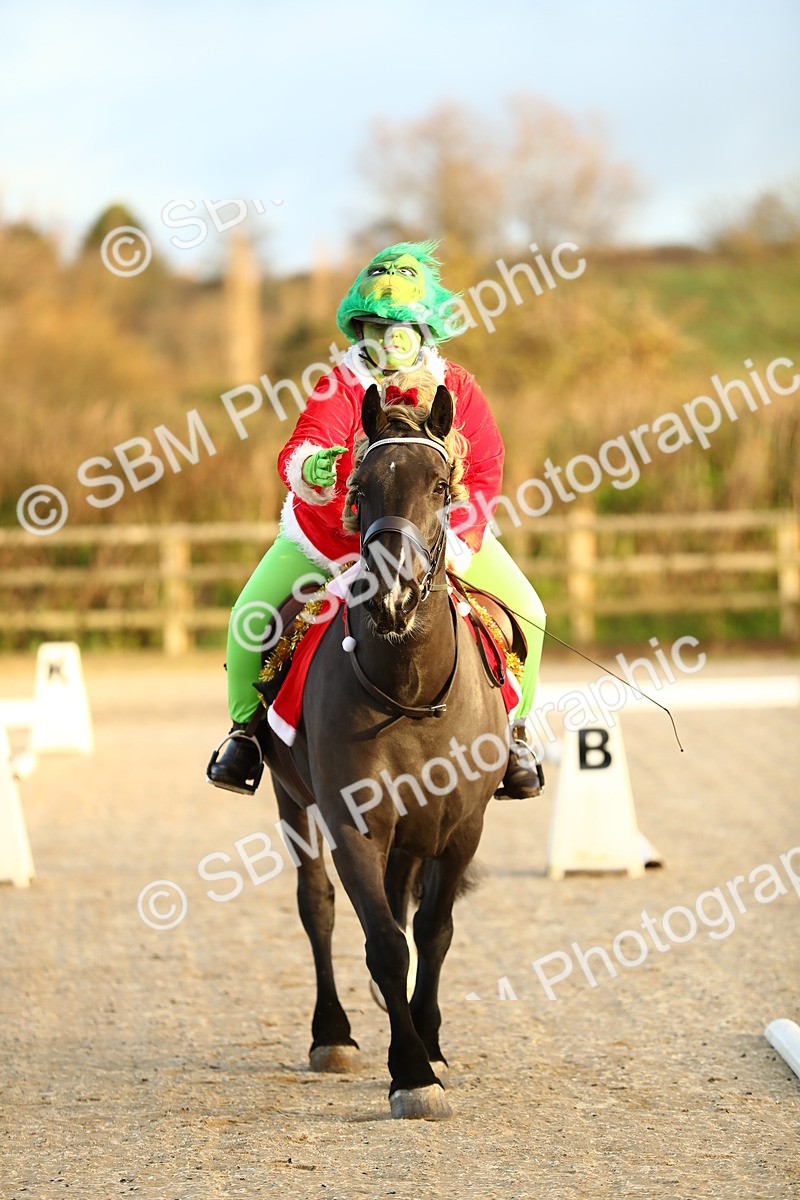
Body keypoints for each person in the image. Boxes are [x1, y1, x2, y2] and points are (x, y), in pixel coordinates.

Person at [206, 240, 547, 798]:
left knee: (528, 612)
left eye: (398, 329)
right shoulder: (338, 384)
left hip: (436, 538)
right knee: (247, 619)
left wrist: (457, 542)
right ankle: (243, 735)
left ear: (423, 332)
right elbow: (302, 447)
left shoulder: (457, 387)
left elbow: (485, 467)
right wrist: (314, 465)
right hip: (331, 540)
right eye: (371, 327)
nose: (384, 341)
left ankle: (514, 736)